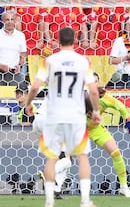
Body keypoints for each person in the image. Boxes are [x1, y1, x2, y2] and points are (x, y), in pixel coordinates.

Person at [24, 27, 101, 207]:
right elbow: (94, 91)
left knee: (53, 157)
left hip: (52, 115)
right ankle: (85, 201)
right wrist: (96, 112)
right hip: (74, 116)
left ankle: (50, 200)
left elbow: (35, 87)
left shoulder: (49, 60)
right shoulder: (83, 61)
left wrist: (28, 103)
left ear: (58, 41)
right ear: (75, 40)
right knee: (82, 157)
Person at [86, 72, 130, 197]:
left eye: (96, 81)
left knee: (116, 152)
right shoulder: (78, 96)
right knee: (67, 157)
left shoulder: (105, 98)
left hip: (95, 129)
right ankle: (56, 185)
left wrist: (127, 120)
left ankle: (123, 187)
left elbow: (121, 107)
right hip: (77, 129)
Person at [0, 10, 27, 86]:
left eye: (12, 19)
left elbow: (23, 54)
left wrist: (20, 65)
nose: (10, 22)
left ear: (15, 21)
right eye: (7, 20)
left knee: (16, 95)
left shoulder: (20, 35)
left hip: (14, 73)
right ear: (2, 21)